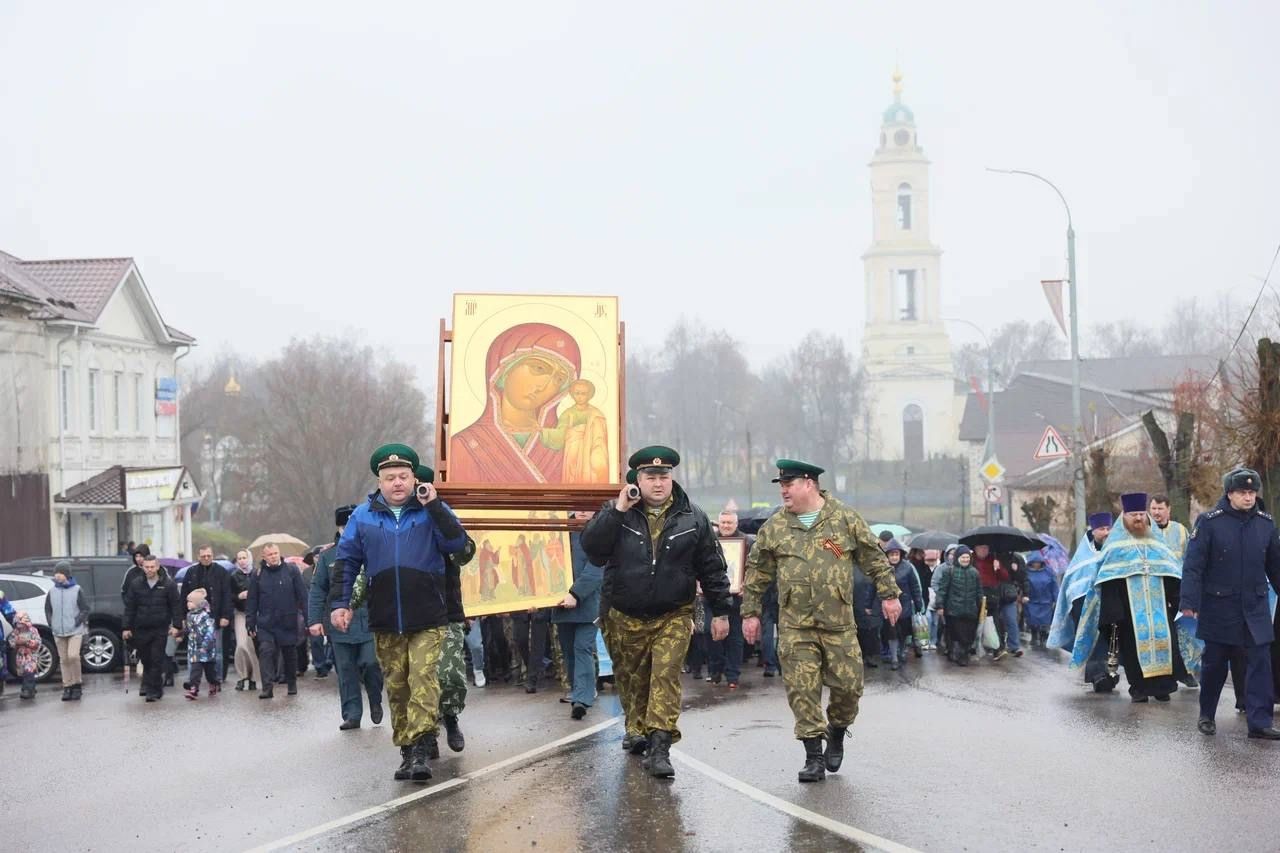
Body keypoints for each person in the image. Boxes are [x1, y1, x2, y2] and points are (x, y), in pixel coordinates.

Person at [742, 459, 901, 783]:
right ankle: (813, 755)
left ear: (810, 483)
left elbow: (873, 557)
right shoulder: (775, 527)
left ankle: (838, 730)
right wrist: (750, 613)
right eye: (781, 485)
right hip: (795, 625)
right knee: (802, 690)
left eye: (789, 484)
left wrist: (889, 594)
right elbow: (757, 573)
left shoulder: (843, 518)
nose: (783, 490)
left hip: (838, 624)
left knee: (848, 688)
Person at [582, 446, 730, 780]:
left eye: (664, 476)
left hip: (673, 613)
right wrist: (618, 510)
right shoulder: (617, 513)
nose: (658, 484)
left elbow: (712, 566)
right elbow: (593, 550)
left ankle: (660, 746)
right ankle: (636, 728)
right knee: (633, 679)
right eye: (651, 477)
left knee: (664, 675)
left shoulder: (693, 517)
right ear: (636, 478)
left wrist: (721, 610)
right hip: (623, 613)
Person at [331, 443, 469, 783]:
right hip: (386, 617)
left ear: (412, 479)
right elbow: (347, 561)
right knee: (397, 685)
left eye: (403, 476)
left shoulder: (430, 510)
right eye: (390, 477)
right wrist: (341, 604)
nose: (397, 483)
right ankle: (407, 750)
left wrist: (435, 506)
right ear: (379, 482)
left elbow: (457, 545)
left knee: (423, 678)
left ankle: (423, 747)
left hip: (428, 615)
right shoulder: (362, 517)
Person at [1181, 468, 1280, 739]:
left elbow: (1275, 566)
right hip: (1219, 606)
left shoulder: (1265, 523)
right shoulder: (1209, 522)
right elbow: (1193, 567)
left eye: (1252, 492)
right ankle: (1207, 715)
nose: (1249, 498)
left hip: (1255, 606)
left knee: (1260, 662)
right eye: (1242, 493)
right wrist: (1189, 601)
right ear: (1230, 494)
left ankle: (1259, 722)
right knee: (1214, 663)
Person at [1070, 493, 1188, 703]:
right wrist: (1114, 612)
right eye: (1133, 514)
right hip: (1129, 611)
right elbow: (1108, 580)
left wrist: (1178, 600)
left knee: (1165, 642)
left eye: (1142, 514)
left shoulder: (1157, 544)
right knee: (1133, 649)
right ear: (1124, 517)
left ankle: (1163, 686)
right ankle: (1139, 688)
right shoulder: (1115, 547)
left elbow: (1171, 574)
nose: (1138, 518)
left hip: (1159, 607)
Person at [448, 323, 584, 484]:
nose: (545, 386)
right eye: (539, 368)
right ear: (504, 370)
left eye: (559, 379)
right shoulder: (465, 445)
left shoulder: (567, 444)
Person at [415, 464, 474, 758]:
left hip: (446, 610)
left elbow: (464, 552)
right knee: (421, 678)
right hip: (413, 612)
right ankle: (427, 734)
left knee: (449, 675)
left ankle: (450, 717)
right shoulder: (402, 520)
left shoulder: (445, 515)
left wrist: (437, 510)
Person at [311, 505, 384, 731]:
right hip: (340, 624)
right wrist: (314, 620)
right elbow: (318, 589)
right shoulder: (328, 556)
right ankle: (352, 714)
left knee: (370, 663)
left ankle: (375, 697)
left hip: (371, 620)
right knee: (346, 670)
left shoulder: (373, 549)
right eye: (345, 525)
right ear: (340, 528)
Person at [1048, 520, 1117, 692]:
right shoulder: (1084, 555)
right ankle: (1097, 675)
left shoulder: (1116, 550)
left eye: (1109, 528)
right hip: (1085, 604)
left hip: (1110, 602)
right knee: (1093, 637)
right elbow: (1073, 582)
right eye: (1102, 528)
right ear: (1093, 531)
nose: (1106, 532)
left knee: (1112, 639)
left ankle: (1109, 672)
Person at [553, 515, 604, 719]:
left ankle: (582, 698)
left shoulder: (599, 532)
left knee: (582, 647)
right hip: (559, 604)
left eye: (586, 507)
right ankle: (579, 689)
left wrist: (575, 593)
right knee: (568, 651)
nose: (581, 512)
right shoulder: (557, 532)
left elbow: (596, 571)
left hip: (588, 604)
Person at [247, 543, 307, 699]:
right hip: (266, 622)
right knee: (265, 651)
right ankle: (267, 687)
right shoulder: (257, 574)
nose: (273, 556)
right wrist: (250, 622)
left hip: (287, 620)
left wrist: (310, 619)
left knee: (289, 654)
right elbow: (252, 600)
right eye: (270, 554)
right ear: (264, 556)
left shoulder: (291, 570)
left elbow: (303, 596)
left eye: (275, 553)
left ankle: (291, 683)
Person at [122, 553, 182, 702]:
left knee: (157, 659)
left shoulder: (168, 584)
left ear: (158, 567)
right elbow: (130, 608)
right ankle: (156, 687)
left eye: (152, 567)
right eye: (147, 567)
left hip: (160, 628)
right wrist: (126, 627)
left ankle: (152, 690)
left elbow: (176, 606)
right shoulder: (136, 584)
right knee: (146, 660)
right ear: (143, 567)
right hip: (141, 628)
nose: (149, 570)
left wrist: (177, 626)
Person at [709, 507, 751, 689]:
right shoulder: (709, 540)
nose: (726, 526)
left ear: (736, 524)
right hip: (713, 595)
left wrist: (746, 584)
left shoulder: (747, 542)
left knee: (735, 637)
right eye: (723, 522)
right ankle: (715, 671)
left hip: (737, 597)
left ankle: (733, 674)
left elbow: (754, 568)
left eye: (730, 522)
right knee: (714, 636)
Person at [180, 545, 233, 689]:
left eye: (209, 556)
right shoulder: (191, 572)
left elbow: (227, 595)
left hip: (215, 616)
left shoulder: (221, 572)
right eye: (203, 556)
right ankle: (194, 682)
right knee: (194, 651)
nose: (206, 558)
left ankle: (218, 679)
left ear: (212, 555)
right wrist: (183, 617)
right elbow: (184, 594)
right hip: (195, 619)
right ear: (198, 557)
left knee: (218, 651)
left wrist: (225, 615)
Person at [45, 561, 89, 701]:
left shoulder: (77, 589)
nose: (57, 575)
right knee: (63, 660)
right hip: (58, 631)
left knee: (73, 656)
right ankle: (67, 687)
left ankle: (77, 685)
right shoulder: (52, 591)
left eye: (60, 573)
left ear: (67, 574)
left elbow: (85, 609)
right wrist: (51, 622)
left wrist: (76, 622)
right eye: (56, 573)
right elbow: (48, 609)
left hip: (75, 630)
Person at [935, 546, 982, 666]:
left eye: (967, 557)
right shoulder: (949, 571)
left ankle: (963, 654)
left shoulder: (974, 572)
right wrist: (939, 605)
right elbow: (942, 590)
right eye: (963, 557)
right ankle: (957, 653)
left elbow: (978, 591)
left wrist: (981, 605)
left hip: (971, 609)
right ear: (958, 558)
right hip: (953, 609)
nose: (965, 559)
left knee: (969, 633)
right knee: (956, 633)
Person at [879, 540, 922, 670]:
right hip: (888, 607)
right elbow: (874, 586)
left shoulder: (908, 568)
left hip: (905, 606)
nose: (894, 557)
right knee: (892, 633)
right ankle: (894, 658)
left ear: (900, 555)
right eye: (891, 554)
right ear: (887, 555)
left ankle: (901, 652)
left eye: (896, 554)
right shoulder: (882, 568)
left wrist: (919, 604)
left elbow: (915, 587)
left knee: (903, 632)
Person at [229, 550, 260, 692]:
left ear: (249, 558)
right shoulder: (234, 576)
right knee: (241, 645)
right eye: (239, 558)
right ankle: (242, 676)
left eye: (244, 557)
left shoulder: (257, 573)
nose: (241, 560)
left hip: (256, 613)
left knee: (252, 646)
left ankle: (253, 678)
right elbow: (229, 596)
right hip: (240, 613)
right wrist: (238, 596)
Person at [183, 589, 221, 699]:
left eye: (190, 601)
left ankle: (213, 683)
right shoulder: (189, 615)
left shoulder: (205, 616)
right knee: (195, 670)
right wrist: (181, 634)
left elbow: (210, 632)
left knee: (210, 671)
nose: (187, 604)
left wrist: (205, 646)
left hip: (206, 649)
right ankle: (193, 688)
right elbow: (189, 630)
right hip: (194, 649)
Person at [1023, 555, 1059, 648]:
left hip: (1046, 601)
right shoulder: (1026, 572)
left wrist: (1056, 598)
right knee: (1032, 619)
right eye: (1035, 562)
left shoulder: (1049, 572)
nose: (1036, 564)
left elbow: (1054, 585)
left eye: (1038, 562)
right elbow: (1023, 583)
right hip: (1032, 600)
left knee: (1045, 621)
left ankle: (1044, 636)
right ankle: (1034, 635)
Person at [8, 612, 42, 699]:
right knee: (22, 672)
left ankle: (28, 690)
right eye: (18, 624)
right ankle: (27, 688)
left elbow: (38, 642)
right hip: (20, 656)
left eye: (21, 624)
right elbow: (11, 641)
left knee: (29, 671)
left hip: (31, 655)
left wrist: (27, 643)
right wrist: (16, 642)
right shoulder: (16, 632)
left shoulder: (33, 631)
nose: (20, 626)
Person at [1149, 494, 1190, 560]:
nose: (1156, 512)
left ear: (1168, 509)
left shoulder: (1180, 530)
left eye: (1160, 509)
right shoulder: (1143, 531)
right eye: (1154, 508)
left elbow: (1190, 556)